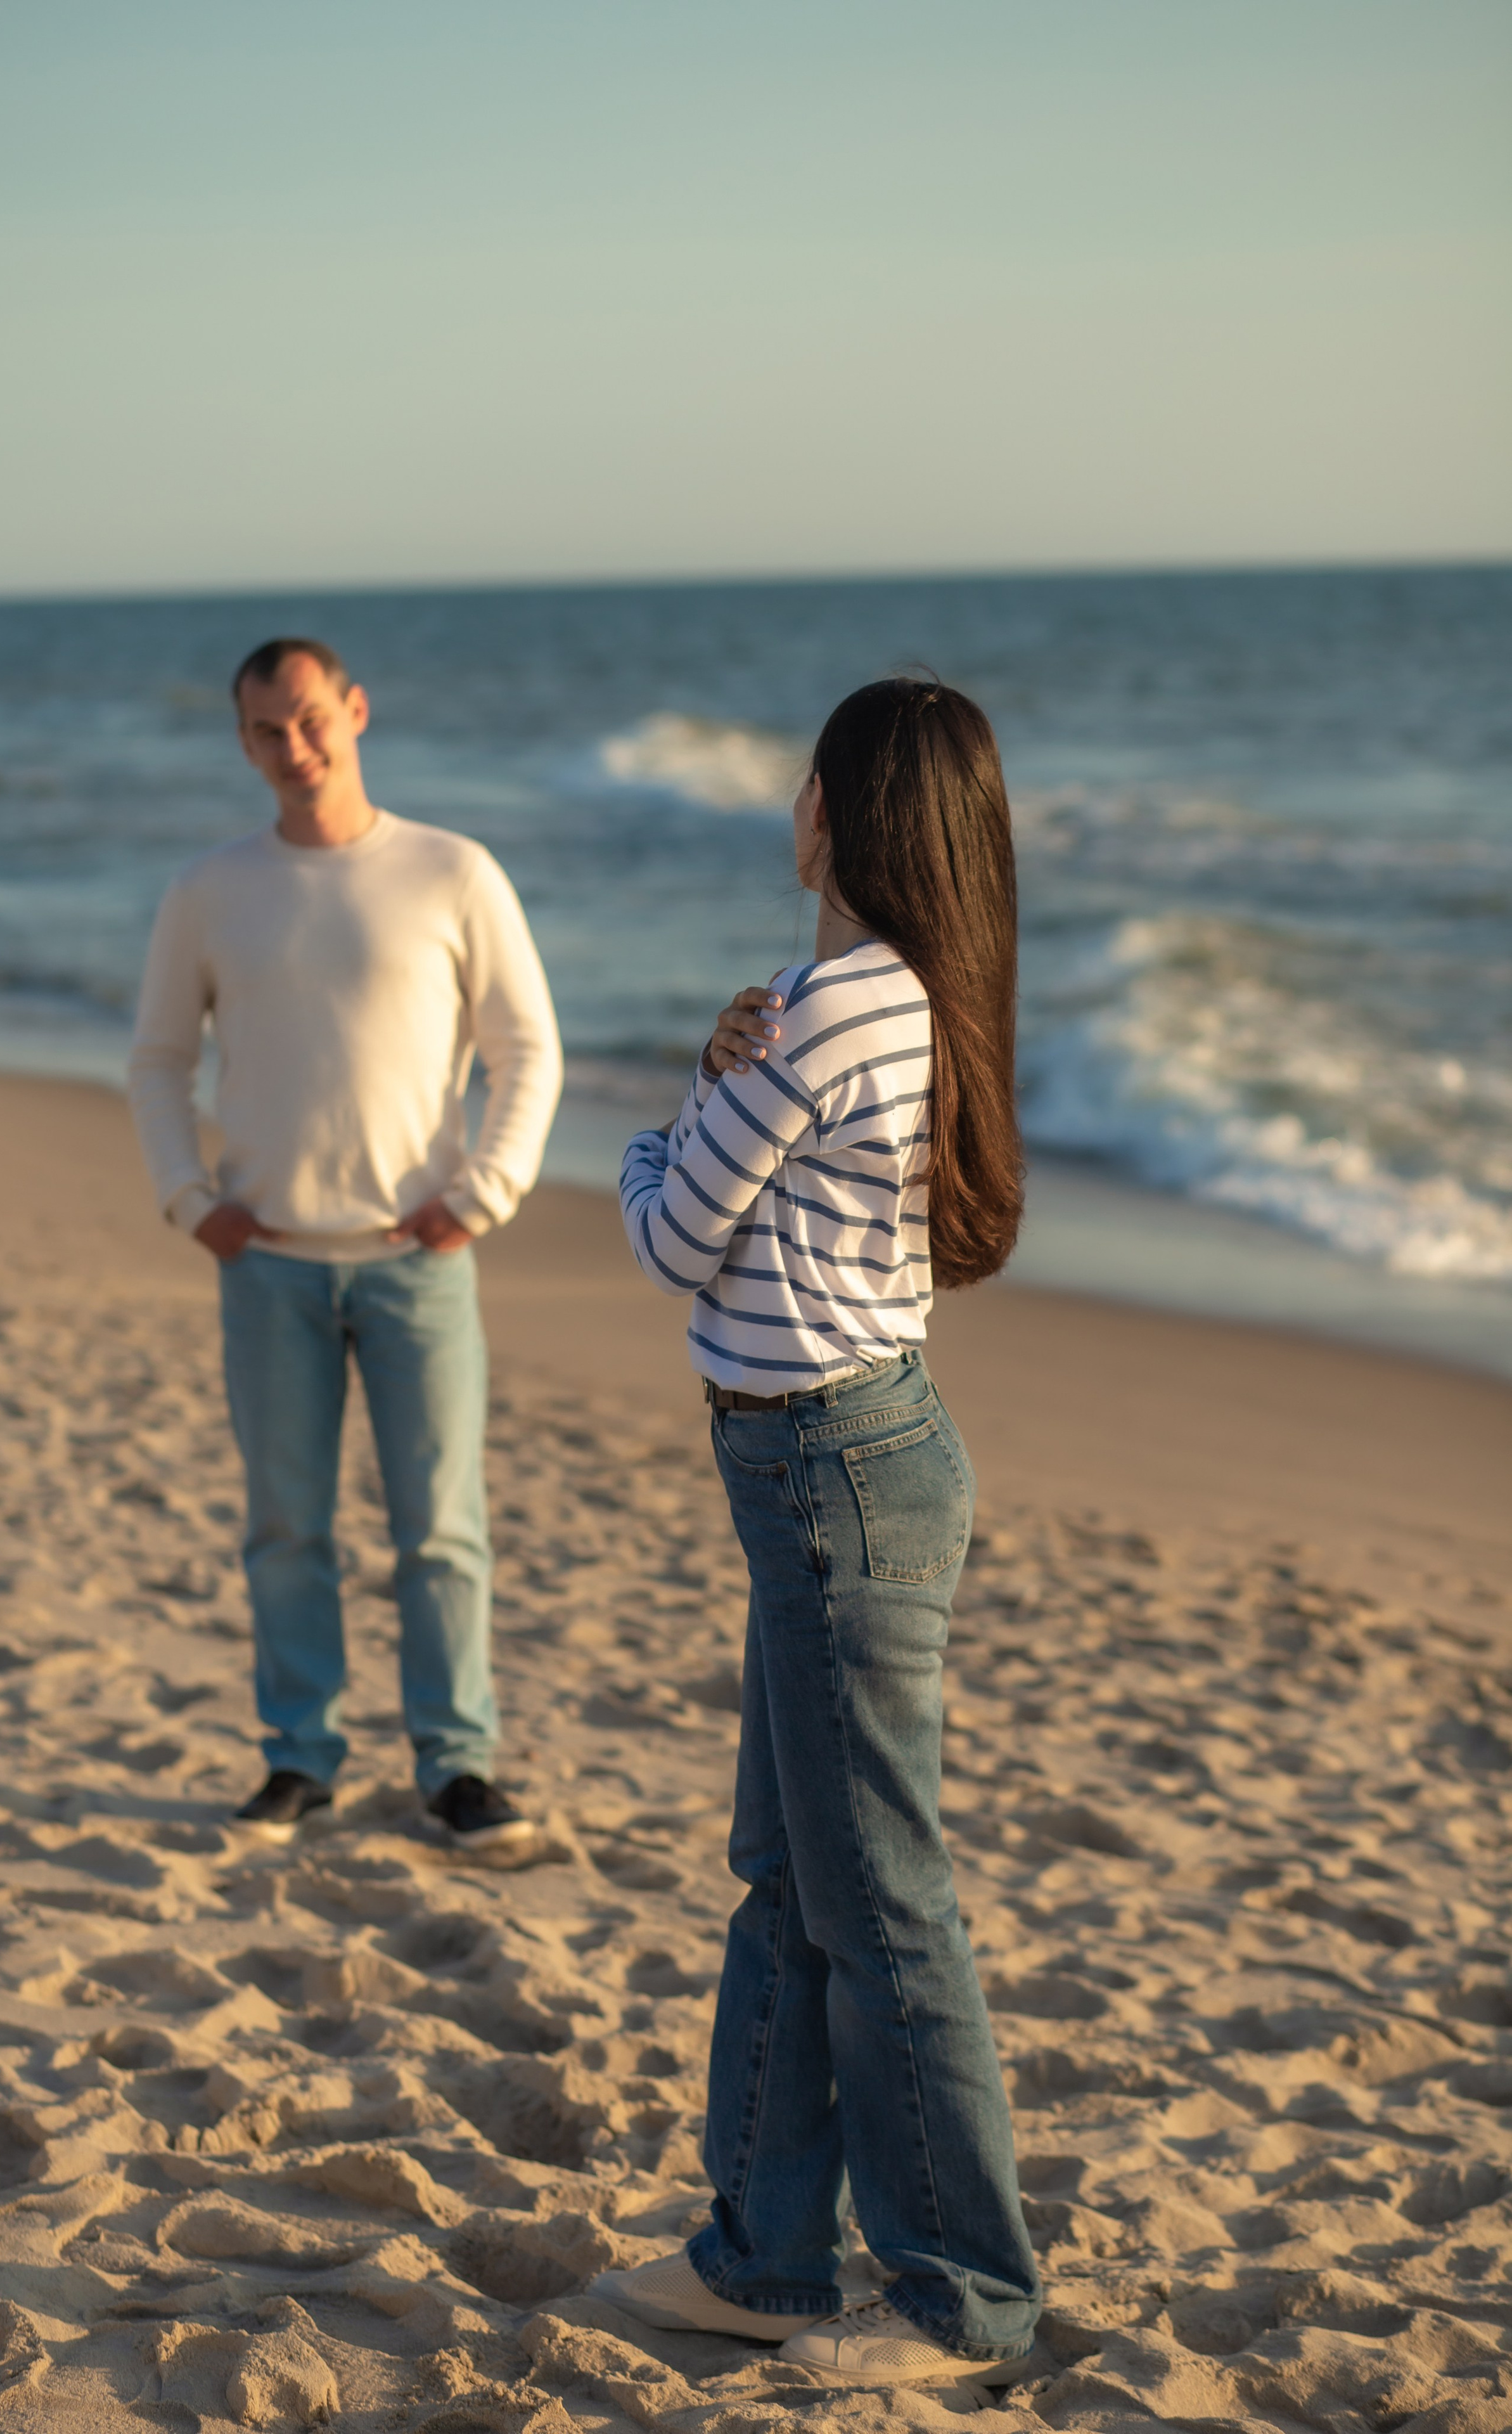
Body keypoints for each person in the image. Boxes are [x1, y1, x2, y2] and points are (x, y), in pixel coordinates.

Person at [594, 679, 1041, 2392]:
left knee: (879, 1906)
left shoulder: (826, 1007)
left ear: (844, 815)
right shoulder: (914, 997)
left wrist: (655, 1128)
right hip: (847, 1461)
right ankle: (765, 2260)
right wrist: (725, 1076)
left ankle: (960, 2300)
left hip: (828, 1471)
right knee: (793, 1882)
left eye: (809, 781)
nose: (791, 803)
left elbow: (670, 1238)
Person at [128, 638, 562, 1850]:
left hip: (418, 1261)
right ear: (243, 742)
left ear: (356, 711)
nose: (296, 747)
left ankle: (457, 1767)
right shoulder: (210, 890)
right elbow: (158, 1061)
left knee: (443, 1533)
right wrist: (189, 1200)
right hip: (267, 1262)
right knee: (286, 1533)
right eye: (268, 730)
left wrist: (484, 1194)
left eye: (312, 718)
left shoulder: (452, 871)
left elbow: (529, 1048)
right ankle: (299, 1759)